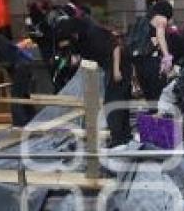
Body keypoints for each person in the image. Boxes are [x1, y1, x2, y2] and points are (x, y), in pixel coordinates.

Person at [52, 11, 131, 146]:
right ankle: (123, 136)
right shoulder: (80, 41)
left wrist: (116, 70)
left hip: (118, 65)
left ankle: (119, 138)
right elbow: (82, 58)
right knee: (117, 101)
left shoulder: (93, 34)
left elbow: (115, 47)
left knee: (113, 102)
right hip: (107, 67)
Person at [126, 0, 174, 103]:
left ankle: (152, 117)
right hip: (152, 62)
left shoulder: (144, 20)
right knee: (159, 94)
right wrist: (167, 56)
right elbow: (160, 37)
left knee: (149, 96)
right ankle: (160, 117)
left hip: (139, 62)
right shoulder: (161, 19)